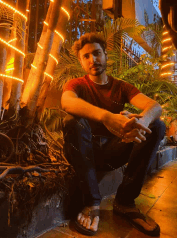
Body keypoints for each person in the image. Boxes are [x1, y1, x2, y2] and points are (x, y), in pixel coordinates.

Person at [61, 33, 166, 236]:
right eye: (87, 56)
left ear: (105, 55)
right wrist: (107, 117)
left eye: (97, 53)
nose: (93, 60)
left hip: (111, 153)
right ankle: (91, 203)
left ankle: (125, 202)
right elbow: (67, 102)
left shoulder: (121, 87)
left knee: (157, 126)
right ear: (82, 62)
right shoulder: (77, 84)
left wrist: (141, 121)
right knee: (71, 121)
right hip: (82, 152)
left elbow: (154, 106)